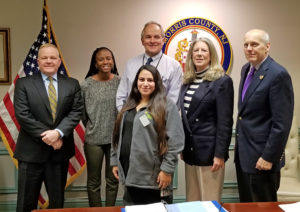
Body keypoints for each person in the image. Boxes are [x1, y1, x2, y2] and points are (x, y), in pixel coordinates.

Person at [13, 43, 83, 212]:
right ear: (38, 61)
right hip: (31, 153)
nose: (49, 61)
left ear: (59, 61)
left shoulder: (72, 84)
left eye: (53, 58)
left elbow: (76, 111)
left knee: (57, 204)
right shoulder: (23, 84)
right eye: (44, 58)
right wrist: (50, 138)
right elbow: (23, 114)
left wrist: (58, 133)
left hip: (59, 154)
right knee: (25, 203)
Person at [111, 65, 184, 205]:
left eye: (150, 80)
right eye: (141, 79)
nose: (145, 84)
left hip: (153, 178)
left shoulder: (166, 106)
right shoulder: (128, 105)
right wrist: (115, 161)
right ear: (136, 82)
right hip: (129, 174)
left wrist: (167, 170)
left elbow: (176, 141)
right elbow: (116, 136)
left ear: (157, 83)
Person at [234, 29, 294, 202]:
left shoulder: (278, 75)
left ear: (267, 47)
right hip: (244, 156)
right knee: (247, 205)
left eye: (255, 44)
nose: (249, 48)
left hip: (263, 160)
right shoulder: (246, 69)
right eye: (246, 45)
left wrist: (269, 157)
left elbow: (281, 123)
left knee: (263, 207)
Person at [178, 37, 234, 202]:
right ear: (191, 55)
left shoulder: (222, 82)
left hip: (210, 154)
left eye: (204, 50)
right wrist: (183, 145)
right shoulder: (187, 81)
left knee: (209, 202)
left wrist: (220, 154)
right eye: (196, 50)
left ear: (211, 55)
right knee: (193, 201)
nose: (199, 54)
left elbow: (225, 122)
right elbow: (186, 119)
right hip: (190, 151)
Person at [81, 47, 120, 207]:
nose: (106, 62)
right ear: (95, 63)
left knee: (112, 181)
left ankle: (110, 210)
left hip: (114, 140)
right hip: (93, 140)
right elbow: (83, 114)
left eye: (108, 58)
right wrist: (93, 126)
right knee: (93, 181)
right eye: (101, 59)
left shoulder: (120, 82)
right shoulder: (86, 85)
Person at [116, 21, 183, 111]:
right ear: (142, 41)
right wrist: (126, 116)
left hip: (160, 120)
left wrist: (156, 120)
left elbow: (173, 101)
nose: (152, 41)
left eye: (156, 37)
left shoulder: (174, 66)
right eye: (148, 37)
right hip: (131, 119)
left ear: (163, 40)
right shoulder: (131, 64)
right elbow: (121, 96)